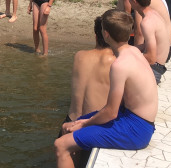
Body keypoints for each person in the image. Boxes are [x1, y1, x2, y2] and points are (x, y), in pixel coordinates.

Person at [55, 10, 157, 164]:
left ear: (106, 34)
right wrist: (82, 122)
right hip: (135, 120)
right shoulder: (134, 51)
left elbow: (111, 112)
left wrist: (84, 123)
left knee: (60, 145)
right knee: (66, 127)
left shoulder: (119, 65)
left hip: (136, 129)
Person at [64, 16, 115, 140]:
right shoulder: (115, 63)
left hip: (70, 122)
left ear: (96, 36)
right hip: (91, 124)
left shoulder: (79, 56)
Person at [129, 0, 171, 84]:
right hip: (159, 66)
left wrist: (128, 56)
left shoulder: (146, 23)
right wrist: (129, 49)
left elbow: (151, 58)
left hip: (154, 70)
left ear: (134, 2)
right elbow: (151, 45)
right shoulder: (154, 14)